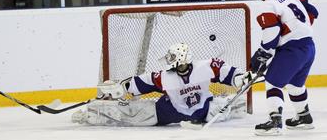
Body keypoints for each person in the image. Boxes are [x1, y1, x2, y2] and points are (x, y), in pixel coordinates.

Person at [71, 43, 252, 127]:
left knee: (131, 114)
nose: (169, 60)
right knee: (225, 106)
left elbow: (228, 73)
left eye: (172, 57)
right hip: (186, 113)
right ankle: (91, 114)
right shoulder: (205, 67)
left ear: (181, 59)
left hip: (171, 113)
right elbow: (142, 82)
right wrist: (123, 88)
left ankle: (94, 113)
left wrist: (240, 77)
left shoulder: (171, 76)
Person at [251, 0, 318, 136]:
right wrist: (296, 30)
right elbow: (313, 12)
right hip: (308, 46)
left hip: (292, 50)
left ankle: (275, 122)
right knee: (295, 85)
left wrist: (262, 54)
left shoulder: (268, 5)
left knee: (273, 84)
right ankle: (304, 117)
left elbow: (272, 32)